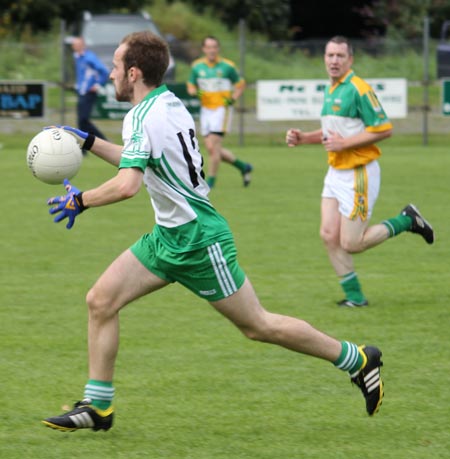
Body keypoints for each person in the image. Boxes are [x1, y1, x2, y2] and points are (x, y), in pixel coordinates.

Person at [42, 31, 384, 433]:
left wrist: (79, 201)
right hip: (168, 237)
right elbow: (138, 159)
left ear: (133, 73)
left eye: (116, 67)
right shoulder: (166, 103)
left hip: (199, 241)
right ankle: (99, 407)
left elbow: (128, 184)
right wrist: (89, 142)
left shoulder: (143, 115)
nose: (112, 74)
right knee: (100, 300)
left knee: (258, 325)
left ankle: (357, 358)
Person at [286, 36, 434, 308]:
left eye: (340, 56)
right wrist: (304, 137)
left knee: (352, 242)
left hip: (358, 174)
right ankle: (355, 298)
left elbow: (383, 129)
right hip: (335, 172)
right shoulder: (331, 89)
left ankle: (407, 220)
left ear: (350, 60)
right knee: (329, 235)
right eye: (330, 55)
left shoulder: (358, 88)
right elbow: (334, 132)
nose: (334, 60)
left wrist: (343, 144)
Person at [187, 36, 252, 188]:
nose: (212, 50)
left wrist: (232, 98)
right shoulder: (197, 67)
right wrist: (195, 92)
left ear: (218, 49)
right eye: (209, 47)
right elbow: (190, 86)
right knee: (212, 148)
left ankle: (210, 182)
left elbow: (241, 85)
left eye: (214, 47)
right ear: (204, 49)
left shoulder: (227, 66)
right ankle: (243, 167)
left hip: (221, 110)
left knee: (213, 148)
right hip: (206, 110)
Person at [71, 37, 109, 149]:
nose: (74, 47)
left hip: (88, 92)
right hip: (81, 91)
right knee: (81, 121)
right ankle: (84, 147)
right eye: (73, 45)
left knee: (84, 120)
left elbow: (104, 71)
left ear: (83, 45)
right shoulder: (78, 57)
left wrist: (96, 85)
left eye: (77, 44)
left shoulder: (89, 57)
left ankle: (103, 141)